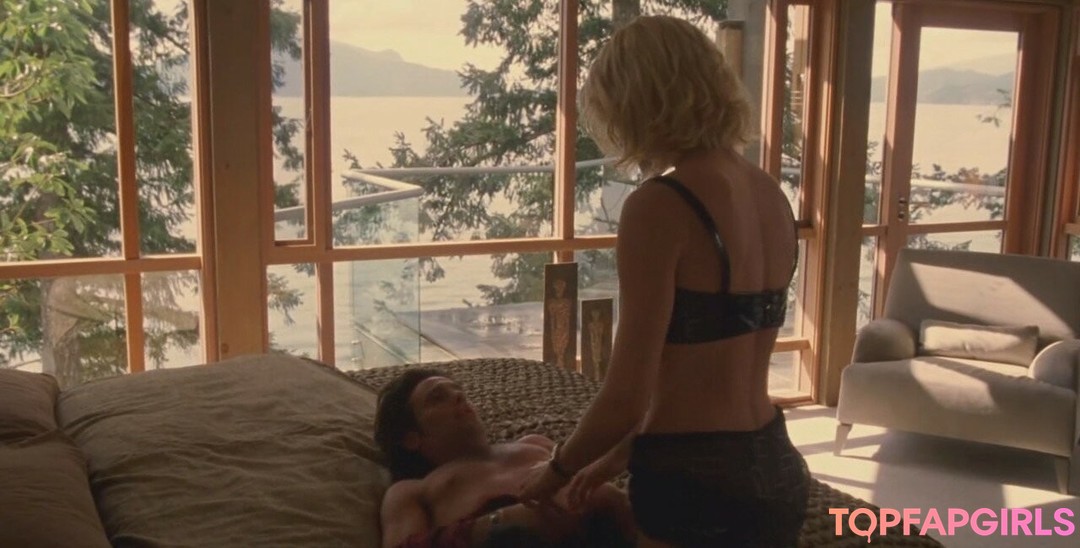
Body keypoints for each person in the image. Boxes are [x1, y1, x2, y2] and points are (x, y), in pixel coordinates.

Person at [520, 14, 810, 548]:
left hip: (693, 477)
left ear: (636, 105)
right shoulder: (770, 192)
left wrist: (554, 471)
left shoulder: (659, 205)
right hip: (776, 462)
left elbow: (626, 396)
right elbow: (706, 372)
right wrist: (614, 459)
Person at [374, 368, 635, 548]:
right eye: (437, 398)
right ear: (411, 438)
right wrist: (500, 522)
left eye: (458, 390)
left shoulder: (535, 443)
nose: (458, 396)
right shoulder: (413, 489)